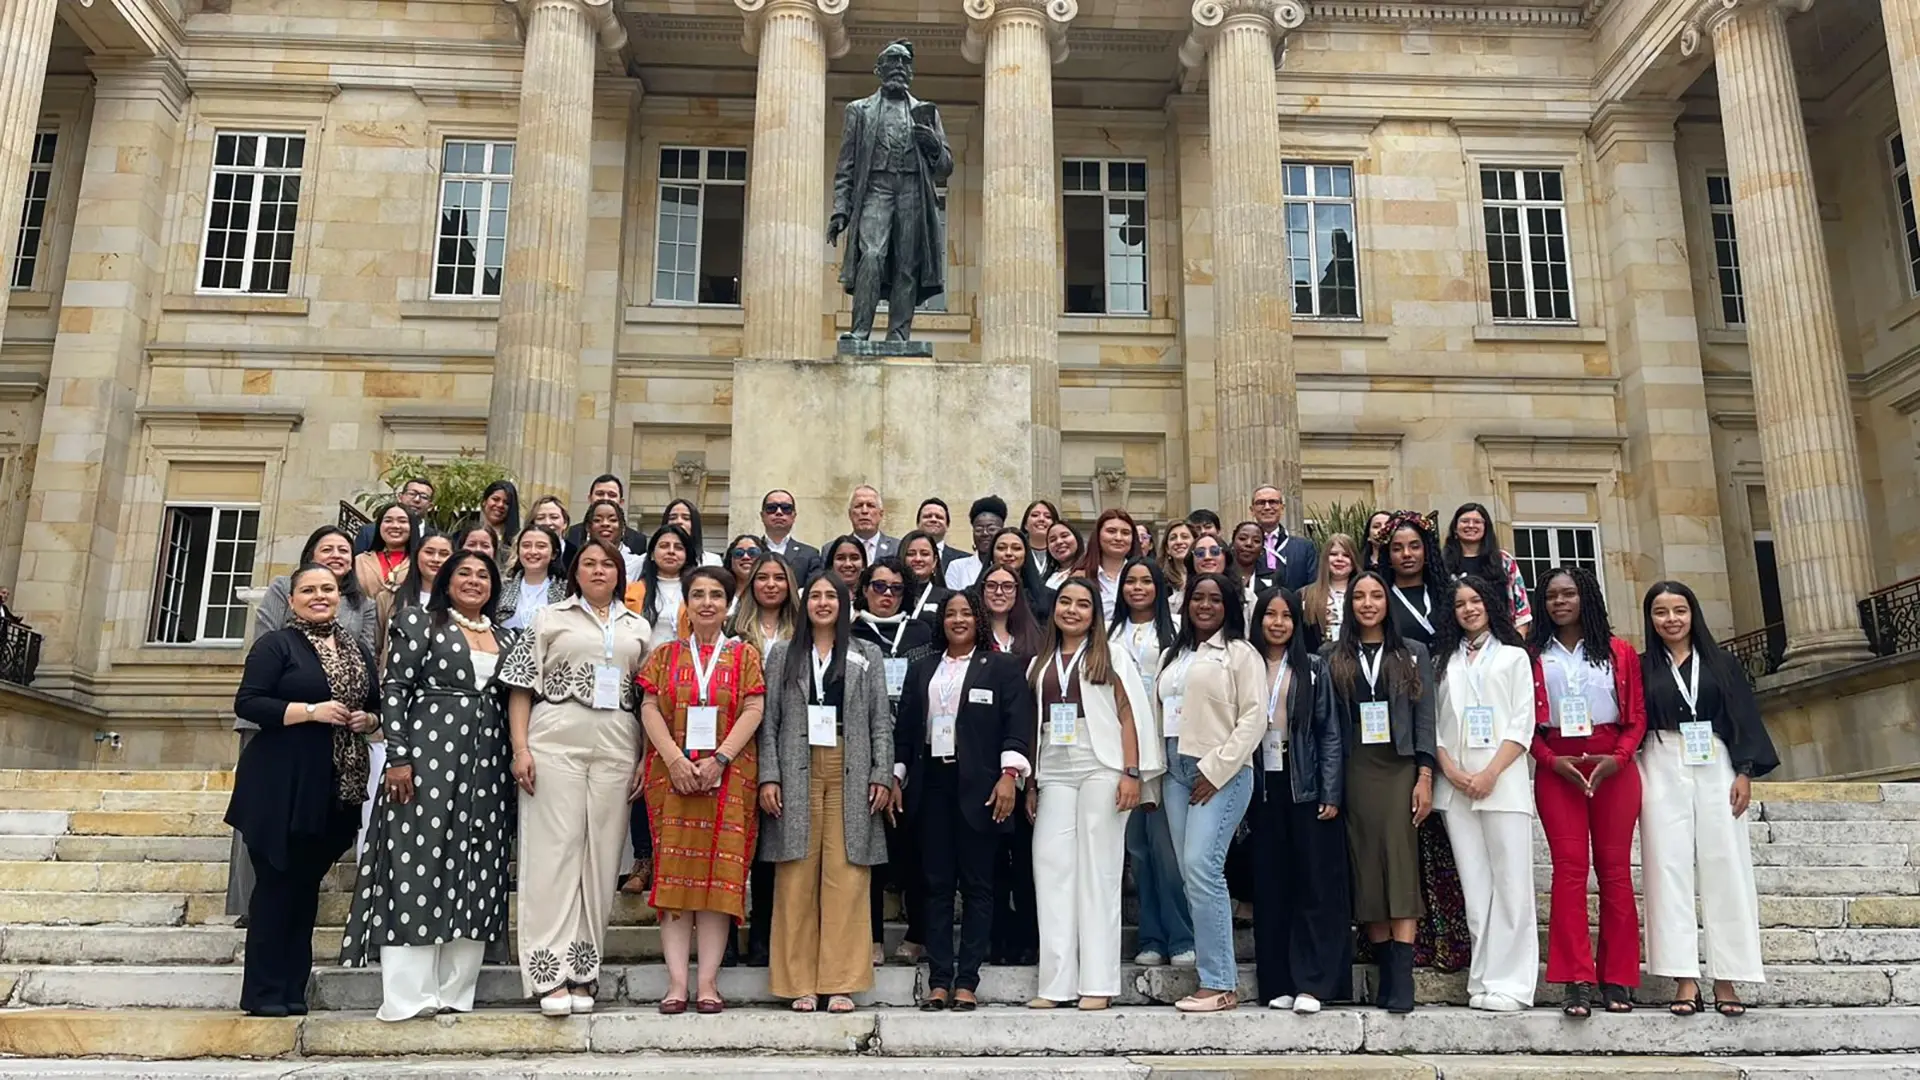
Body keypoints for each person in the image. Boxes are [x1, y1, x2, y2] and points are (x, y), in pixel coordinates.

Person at [341, 551, 514, 1021]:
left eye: (484, 575)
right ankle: (408, 995)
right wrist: (397, 756)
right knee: (418, 862)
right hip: (428, 758)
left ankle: (456, 990)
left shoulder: (505, 635)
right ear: (446, 581)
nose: (474, 581)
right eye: (465, 574)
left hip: (487, 765)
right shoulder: (420, 621)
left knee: (476, 866)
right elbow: (395, 687)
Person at [498, 538, 653, 1016]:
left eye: (608, 563)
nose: (599, 571)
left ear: (619, 572)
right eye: (589, 563)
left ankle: (584, 970)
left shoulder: (638, 626)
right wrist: (520, 748)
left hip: (617, 741)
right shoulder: (550, 616)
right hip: (556, 735)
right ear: (576, 571)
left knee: (602, 856)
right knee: (553, 851)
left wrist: (647, 757)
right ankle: (548, 974)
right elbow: (520, 686)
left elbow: (648, 696)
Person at [227, 563, 379, 1016]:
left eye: (327, 589)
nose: (319, 596)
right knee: (276, 887)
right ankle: (263, 993)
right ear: (291, 600)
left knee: (303, 890)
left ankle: (292, 990)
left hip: (333, 787)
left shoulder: (355, 648)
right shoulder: (277, 645)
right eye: (308, 590)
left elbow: (374, 707)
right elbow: (249, 702)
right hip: (279, 785)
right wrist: (310, 710)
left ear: (339, 596)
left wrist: (367, 720)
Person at [1639, 579, 1777, 1018]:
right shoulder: (1642, 666)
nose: (1671, 620)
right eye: (1661, 612)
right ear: (1651, 619)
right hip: (1660, 759)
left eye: (1679, 610)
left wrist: (1744, 771)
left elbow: (1743, 718)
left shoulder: (1722, 664)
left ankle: (1727, 977)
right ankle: (1683, 977)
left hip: (1714, 759)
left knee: (1725, 865)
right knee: (1666, 867)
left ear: (1693, 613)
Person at [757, 573, 894, 1012]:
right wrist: (769, 776)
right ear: (804, 604)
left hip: (849, 766)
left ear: (844, 602)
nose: (821, 603)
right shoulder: (782, 654)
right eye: (814, 595)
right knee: (795, 873)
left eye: (829, 596)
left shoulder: (865, 653)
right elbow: (770, 722)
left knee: (848, 874)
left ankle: (840, 982)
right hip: (796, 768)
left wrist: (882, 773)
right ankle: (799, 982)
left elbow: (879, 720)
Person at [637, 567, 766, 1016]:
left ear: (728, 604)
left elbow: (754, 707)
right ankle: (676, 983)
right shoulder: (664, 655)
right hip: (673, 778)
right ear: (686, 603)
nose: (707, 602)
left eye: (716, 595)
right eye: (698, 594)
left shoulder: (745, 654)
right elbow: (649, 707)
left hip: (727, 777)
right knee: (674, 882)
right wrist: (674, 759)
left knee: (719, 882)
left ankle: (707, 982)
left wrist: (720, 759)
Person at [896, 589, 1032, 1010]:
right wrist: (898, 776)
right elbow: (905, 730)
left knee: (978, 887)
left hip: (982, 787)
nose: (958, 620)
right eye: (950, 613)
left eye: (965, 613)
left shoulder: (1003, 668)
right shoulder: (922, 668)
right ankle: (939, 979)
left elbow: (1017, 724)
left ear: (978, 620)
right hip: (931, 784)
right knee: (935, 886)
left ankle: (968, 980)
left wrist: (1010, 776)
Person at [1026, 578, 1155, 1010]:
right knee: (1051, 869)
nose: (1073, 611)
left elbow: (1129, 714)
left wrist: (1132, 772)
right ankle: (1056, 983)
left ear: (1095, 614)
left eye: (1083, 604)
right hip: (1054, 768)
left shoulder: (1111, 652)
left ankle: (1097, 983)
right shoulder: (1040, 661)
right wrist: (1030, 781)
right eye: (1065, 602)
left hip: (1102, 763)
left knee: (1098, 873)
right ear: (1054, 609)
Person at [1528, 566, 1645, 1018]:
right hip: (1558, 766)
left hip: (1613, 764)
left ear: (1586, 597)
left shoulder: (1619, 652)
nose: (1560, 602)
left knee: (1615, 872)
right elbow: (1525, 722)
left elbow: (1636, 715)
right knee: (1569, 871)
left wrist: (1618, 758)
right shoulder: (1535, 654)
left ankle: (1616, 976)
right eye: (1552, 596)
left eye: (1569, 594)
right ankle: (1576, 977)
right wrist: (1551, 760)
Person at [1325, 570, 1436, 1013]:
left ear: (1387, 603)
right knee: (1366, 860)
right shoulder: (1331, 655)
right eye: (1359, 597)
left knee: (1400, 857)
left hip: (1398, 766)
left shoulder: (1412, 653)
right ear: (1349, 606)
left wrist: (1425, 775)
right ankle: (1385, 970)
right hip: (1355, 767)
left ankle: (1402, 975)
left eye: (1376, 596)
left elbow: (1425, 717)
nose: (1368, 604)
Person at [1156, 573, 1264, 1013]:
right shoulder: (1173, 653)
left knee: (1203, 866)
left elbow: (1255, 717)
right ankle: (1212, 974)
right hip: (1174, 769)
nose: (1204, 605)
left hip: (1219, 769)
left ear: (1229, 606)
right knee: (1189, 872)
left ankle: (1219, 982)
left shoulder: (1240, 653)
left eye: (1214, 599)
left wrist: (1217, 769)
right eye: (1196, 597)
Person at [1432, 574, 1539, 1013]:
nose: (1469, 610)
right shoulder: (1444, 662)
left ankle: (1513, 984)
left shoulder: (1514, 657)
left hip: (1502, 781)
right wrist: (1453, 771)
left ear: (1490, 605)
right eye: (1460, 605)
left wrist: (1491, 772)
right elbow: (1435, 725)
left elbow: (1522, 723)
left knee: (1512, 885)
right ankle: (1483, 978)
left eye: (1475, 601)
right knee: (1476, 889)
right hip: (1456, 787)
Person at [1247, 587, 1348, 1014]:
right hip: (1259, 786)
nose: (1277, 623)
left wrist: (1330, 789)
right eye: (1269, 614)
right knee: (1270, 888)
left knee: (1312, 885)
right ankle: (1277, 981)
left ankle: (1312, 981)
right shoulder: (1245, 665)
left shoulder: (1313, 668)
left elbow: (1328, 733)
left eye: (1285, 615)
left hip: (1302, 783)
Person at [1380, 511, 1472, 972]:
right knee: (1412, 832)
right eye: (1397, 548)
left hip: (1453, 700)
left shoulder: (1448, 594)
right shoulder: (1380, 596)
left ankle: (1453, 939)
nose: (1406, 554)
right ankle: (1412, 939)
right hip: (1404, 711)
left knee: (1451, 833)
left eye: (1414, 546)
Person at [1109, 557, 1193, 969]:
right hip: (1121, 751)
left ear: (1159, 587)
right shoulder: (1108, 632)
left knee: (1167, 849)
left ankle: (1181, 937)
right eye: (1131, 582)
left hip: (1163, 749)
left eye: (1146, 581)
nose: (1138, 588)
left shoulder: (1175, 632)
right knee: (1138, 850)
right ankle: (1151, 936)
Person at [853, 556, 935, 965]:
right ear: (865, 587)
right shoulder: (850, 632)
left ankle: (918, 932)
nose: (887, 595)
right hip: (863, 751)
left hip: (916, 749)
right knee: (870, 848)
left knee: (917, 846)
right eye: (879, 586)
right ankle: (870, 938)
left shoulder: (922, 631)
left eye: (896, 589)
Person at [727, 551, 800, 967]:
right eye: (762, 577)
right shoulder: (735, 633)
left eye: (778, 577)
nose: (770, 584)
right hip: (739, 744)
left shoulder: (803, 631)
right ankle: (728, 936)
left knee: (772, 848)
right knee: (738, 846)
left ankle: (764, 938)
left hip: (785, 746)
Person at [980, 561, 1041, 965]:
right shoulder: (971, 634)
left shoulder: (1033, 640)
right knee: (990, 858)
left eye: (1008, 585)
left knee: (1026, 855)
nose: (1000, 591)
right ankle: (996, 935)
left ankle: (1030, 937)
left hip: (1026, 755)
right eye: (992, 585)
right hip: (981, 759)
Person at [1443, 503, 1532, 632]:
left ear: (1486, 528)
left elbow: (1522, 610)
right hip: (1455, 640)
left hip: (1501, 638)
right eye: (1465, 521)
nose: (1471, 525)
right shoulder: (1443, 563)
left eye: (1477, 522)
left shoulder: (1504, 561)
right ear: (1455, 528)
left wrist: (1517, 644)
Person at [633, 525, 694, 651]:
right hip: (645, 665)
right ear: (651, 555)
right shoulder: (632, 592)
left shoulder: (697, 591)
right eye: (664, 546)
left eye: (678, 547)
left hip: (687, 665)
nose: (671, 551)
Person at [498, 524, 567, 632]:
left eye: (541, 546)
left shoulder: (566, 590)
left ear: (554, 554)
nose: (533, 552)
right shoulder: (501, 588)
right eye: (526, 545)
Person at [1073, 509, 1139, 617]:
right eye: (1111, 531)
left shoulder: (1144, 575)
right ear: (1098, 535)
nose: (1118, 538)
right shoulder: (1080, 577)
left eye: (1125, 533)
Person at [1250, 486, 1317, 590]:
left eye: (1273, 502)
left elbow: (1313, 588)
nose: (1267, 507)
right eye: (1261, 503)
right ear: (1252, 510)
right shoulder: (1241, 548)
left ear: (1282, 508)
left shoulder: (1305, 548)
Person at [1301, 532, 1358, 653]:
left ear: (1354, 560)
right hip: (1319, 664)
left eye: (1346, 555)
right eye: (1333, 554)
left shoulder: (1365, 593)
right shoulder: (1305, 594)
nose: (1339, 559)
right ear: (1325, 558)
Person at [564, 474, 649, 555]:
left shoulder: (637, 540)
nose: (605, 498)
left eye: (612, 495)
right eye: (600, 494)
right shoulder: (571, 534)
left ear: (621, 502)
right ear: (590, 499)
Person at [355, 505, 417, 601]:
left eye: (402, 521)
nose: (395, 526)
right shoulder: (360, 561)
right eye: (388, 521)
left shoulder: (420, 561)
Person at [944, 495, 1008, 590]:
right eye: (979, 529)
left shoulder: (1010, 564)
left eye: (991, 529)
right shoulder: (958, 567)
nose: (985, 533)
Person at [354, 477, 433, 553]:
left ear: (430, 506)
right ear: (400, 497)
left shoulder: (435, 537)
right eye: (412, 494)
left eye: (424, 497)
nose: (416, 500)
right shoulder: (369, 532)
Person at [760, 490, 822, 583]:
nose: (779, 512)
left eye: (786, 508)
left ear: (794, 516)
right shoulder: (750, 552)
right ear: (762, 515)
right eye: (771, 508)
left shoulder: (810, 554)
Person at [897, 530, 950, 629]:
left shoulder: (948, 598)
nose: (918, 559)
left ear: (935, 561)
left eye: (924, 554)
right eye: (911, 554)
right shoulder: (892, 594)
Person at [660, 498, 724, 568]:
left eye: (686, 518)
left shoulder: (712, 561)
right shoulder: (646, 559)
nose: (679, 521)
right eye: (672, 518)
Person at [1228, 521, 1279, 607]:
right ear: (1232, 544)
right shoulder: (1223, 574)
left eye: (1256, 541)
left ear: (1262, 550)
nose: (1249, 544)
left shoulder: (1273, 577)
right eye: (1242, 538)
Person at [847, 486, 897, 563]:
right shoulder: (832, 549)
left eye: (871, 506)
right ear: (850, 514)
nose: (864, 511)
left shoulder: (897, 547)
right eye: (858, 506)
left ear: (881, 514)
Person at [475, 480, 521, 552]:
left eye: (506, 502)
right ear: (484, 501)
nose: (500, 505)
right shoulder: (466, 536)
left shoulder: (517, 542)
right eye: (495, 499)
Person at [527, 494, 573, 565]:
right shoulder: (524, 552)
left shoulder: (576, 554)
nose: (547, 523)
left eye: (554, 517)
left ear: (565, 523)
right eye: (540, 518)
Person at [1158, 521, 1195, 609]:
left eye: (1184, 537)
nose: (1179, 542)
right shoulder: (1159, 579)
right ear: (1167, 548)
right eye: (1173, 538)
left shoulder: (1205, 576)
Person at [1020, 499, 1060, 581]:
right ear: (1025, 525)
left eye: (1048, 517)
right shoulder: (1016, 552)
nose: (1041, 519)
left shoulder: (1062, 553)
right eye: (1035, 515)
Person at [724, 534, 763, 601]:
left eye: (753, 552)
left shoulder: (770, 593)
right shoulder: (721, 591)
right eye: (738, 553)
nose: (745, 557)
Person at [1362, 510, 1394, 576]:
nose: (1382, 528)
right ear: (1368, 536)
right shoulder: (1359, 564)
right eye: (1376, 526)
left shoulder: (1400, 563)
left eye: (1387, 525)